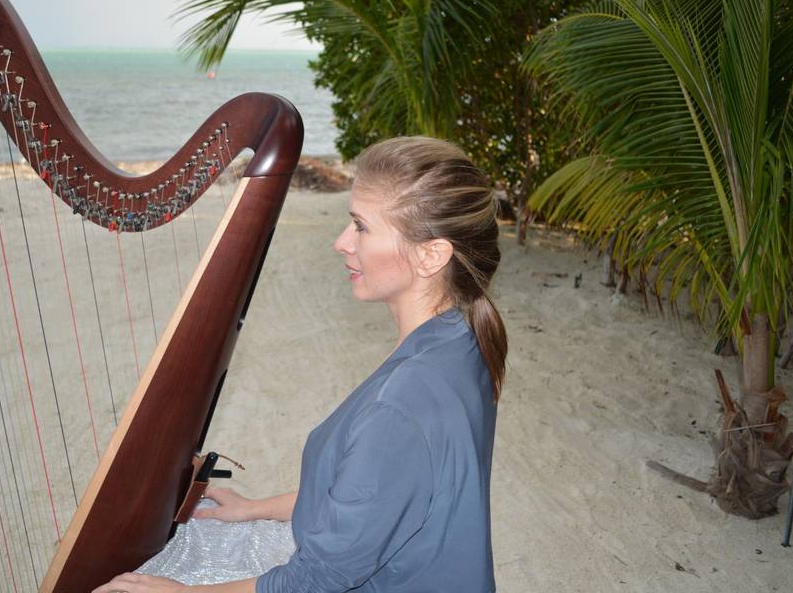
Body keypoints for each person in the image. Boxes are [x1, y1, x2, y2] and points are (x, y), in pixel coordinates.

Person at [94, 136, 507, 593]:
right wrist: (256, 508)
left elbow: (317, 579)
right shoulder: (458, 340)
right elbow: (378, 500)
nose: (341, 242)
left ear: (431, 254)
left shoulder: (404, 404)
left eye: (361, 227)